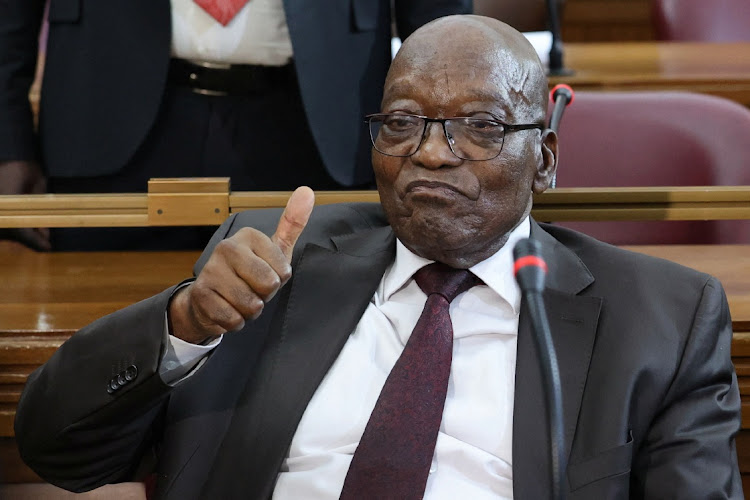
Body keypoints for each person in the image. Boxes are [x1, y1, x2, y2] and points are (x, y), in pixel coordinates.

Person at [15, 15, 742, 499]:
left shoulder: (661, 321)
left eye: (481, 126)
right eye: (402, 122)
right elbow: (57, 448)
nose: (430, 152)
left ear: (544, 158)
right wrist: (184, 322)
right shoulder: (276, 269)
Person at [0, 0, 471, 251]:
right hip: (104, 111)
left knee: (302, 346)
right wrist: (8, 143)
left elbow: (437, 13)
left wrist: (440, 137)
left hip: (318, 121)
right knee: (100, 347)